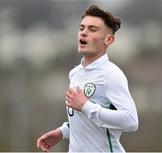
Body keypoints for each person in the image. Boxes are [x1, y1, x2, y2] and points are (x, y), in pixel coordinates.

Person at [37, 5, 139, 152]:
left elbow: (131, 121)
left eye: (92, 29)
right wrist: (63, 131)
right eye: (82, 28)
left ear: (109, 40)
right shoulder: (75, 73)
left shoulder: (111, 74)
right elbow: (86, 120)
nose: (84, 33)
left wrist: (86, 106)